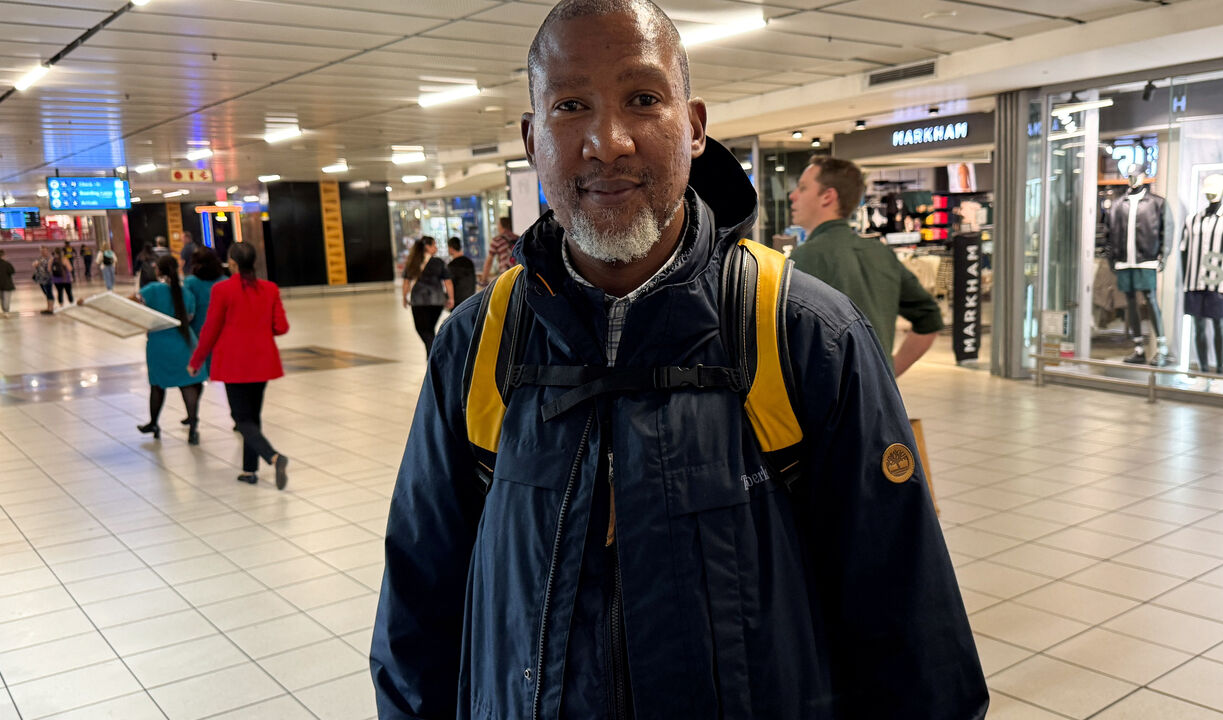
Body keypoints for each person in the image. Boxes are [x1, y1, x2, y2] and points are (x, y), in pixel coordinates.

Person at [370, 2, 987, 718]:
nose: (608, 142)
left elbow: (910, 631)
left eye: (642, 99)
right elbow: (419, 608)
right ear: (533, 139)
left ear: (693, 128)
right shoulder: (480, 345)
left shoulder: (804, 333)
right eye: (571, 105)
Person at [788, 156, 944, 377]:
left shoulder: (805, 258)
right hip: (878, 403)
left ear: (827, 196)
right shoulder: (881, 254)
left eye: (802, 188)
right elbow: (930, 318)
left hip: (826, 404)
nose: (793, 196)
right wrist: (887, 374)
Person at [188, 242, 291, 489]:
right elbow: (281, 327)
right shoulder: (269, 289)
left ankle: (273, 456)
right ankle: (249, 470)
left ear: (232, 263)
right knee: (252, 417)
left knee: (240, 417)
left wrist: (196, 361)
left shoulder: (222, 290)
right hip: (262, 362)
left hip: (234, 364)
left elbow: (210, 330)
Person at [135, 255, 206, 445]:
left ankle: (154, 423)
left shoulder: (152, 290)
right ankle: (193, 428)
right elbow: (190, 316)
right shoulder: (186, 293)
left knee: (158, 385)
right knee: (187, 385)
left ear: (159, 270)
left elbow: (133, 303)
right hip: (184, 341)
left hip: (159, 344)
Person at [179, 246, 226, 431]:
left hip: (199, 334)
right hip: (222, 334)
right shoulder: (224, 281)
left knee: (196, 378)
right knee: (228, 377)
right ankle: (238, 417)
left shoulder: (191, 282)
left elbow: (187, 308)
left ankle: (193, 415)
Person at [401, 236, 453, 356]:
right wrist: (451, 298)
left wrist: (404, 297)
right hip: (437, 301)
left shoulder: (412, 262)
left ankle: (433, 355)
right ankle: (433, 355)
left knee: (422, 330)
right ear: (427, 247)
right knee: (429, 329)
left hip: (418, 301)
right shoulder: (438, 262)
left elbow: (406, 282)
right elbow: (448, 281)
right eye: (434, 245)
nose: (436, 247)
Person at [480, 215, 518, 284]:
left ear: (501, 225)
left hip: (505, 275)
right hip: (519, 275)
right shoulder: (518, 238)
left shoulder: (497, 240)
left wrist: (483, 279)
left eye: (498, 224)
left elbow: (489, 261)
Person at [446, 236, 476, 306]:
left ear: (451, 248)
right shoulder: (469, 262)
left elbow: (450, 283)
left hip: (458, 301)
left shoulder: (452, 265)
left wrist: (450, 299)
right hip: (470, 299)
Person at [32, 246, 54, 314]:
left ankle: (50, 308)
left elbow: (50, 269)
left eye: (44, 251)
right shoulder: (40, 258)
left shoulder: (50, 259)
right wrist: (35, 265)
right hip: (40, 279)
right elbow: (35, 265)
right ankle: (48, 308)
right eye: (41, 251)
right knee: (46, 293)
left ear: (47, 251)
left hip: (48, 278)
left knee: (49, 293)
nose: (43, 252)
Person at [0, 250, 14, 316]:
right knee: (6, 299)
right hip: (7, 284)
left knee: (2, 299)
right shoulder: (7, 264)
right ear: (3, 256)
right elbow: (12, 271)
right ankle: (6, 311)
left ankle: (4, 310)